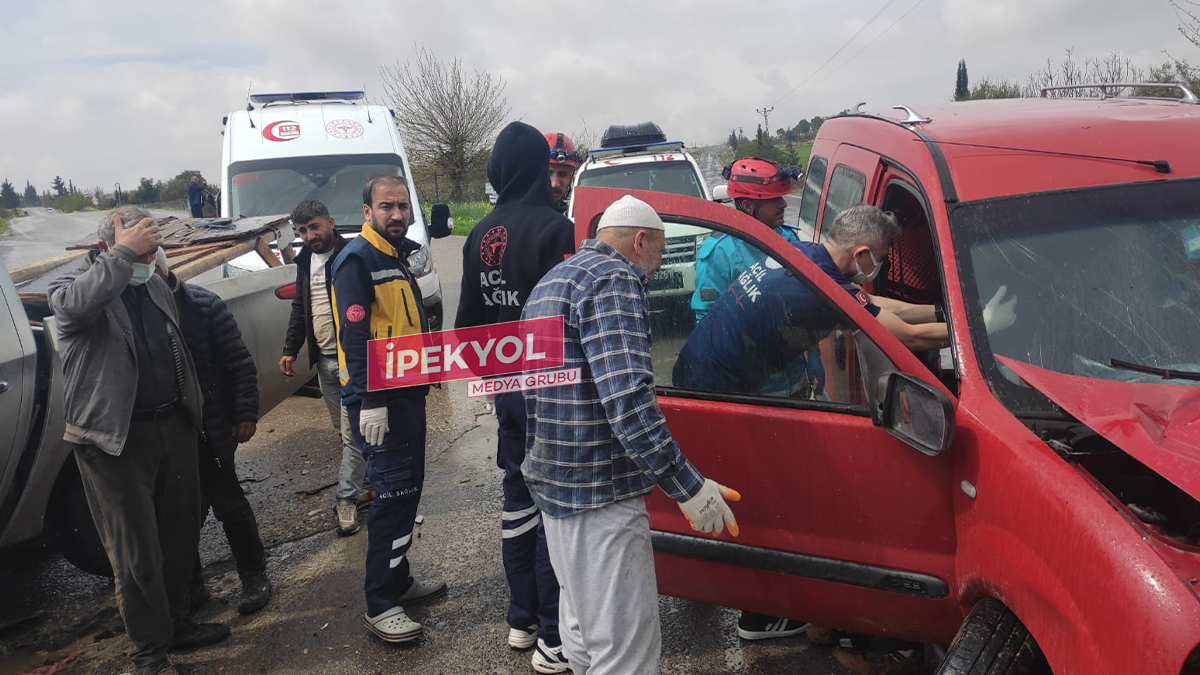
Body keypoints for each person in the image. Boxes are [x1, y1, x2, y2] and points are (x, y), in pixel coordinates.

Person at [522, 194, 741, 674]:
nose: (652, 274)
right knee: (626, 656)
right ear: (640, 241)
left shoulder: (552, 282)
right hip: (602, 497)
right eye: (657, 261)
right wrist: (688, 487)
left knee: (583, 637)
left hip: (556, 492)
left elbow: (535, 395)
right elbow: (628, 401)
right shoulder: (616, 280)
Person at [48, 207, 227, 675]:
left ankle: (178, 623)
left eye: (154, 248)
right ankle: (150, 656)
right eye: (142, 249)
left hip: (172, 425)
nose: (151, 257)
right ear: (109, 247)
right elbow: (70, 309)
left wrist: (154, 267)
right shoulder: (74, 289)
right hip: (114, 441)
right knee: (136, 553)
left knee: (179, 535)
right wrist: (126, 254)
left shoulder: (150, 282)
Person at [456, 121, 575, 673]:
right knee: (554, 508)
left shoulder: (480, 235)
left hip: (509, 399)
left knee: (516, 502)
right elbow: (566, 323)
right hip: (552, 397)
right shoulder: (557, 229)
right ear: (534, 167)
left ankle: (521, 619)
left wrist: (498, 382)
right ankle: (555, 637)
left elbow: (465, 332)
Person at [674, 205, 962, 395]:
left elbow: (872, 301)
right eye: (882, 258)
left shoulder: (805, 254)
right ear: (861, 254)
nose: (881, 265)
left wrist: (943, 312)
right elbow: (909, 338)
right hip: (712, 388)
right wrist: (977, 331)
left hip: (696, 363)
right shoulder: (822, 293)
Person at [331, 175, 447, 643]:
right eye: (386, 207)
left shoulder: (394, 256)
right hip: (380, 402)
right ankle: (380, 602)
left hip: (406, 394)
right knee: (393, 496)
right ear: (367, 211)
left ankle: (399, 580)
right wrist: (372, 400)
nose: (396, 214)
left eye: (402, 206)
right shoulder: (357, 260)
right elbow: (354, 337)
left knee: (408, 492)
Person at [152, 250, 272, 617]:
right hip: (169, 439)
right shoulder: (137, 313)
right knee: (178, 516)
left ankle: (255, 576)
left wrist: (245, 414)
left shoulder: (203, 306)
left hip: (211, 430)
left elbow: (238, 363)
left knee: (229, 505)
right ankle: (192, 587)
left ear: (159, 269)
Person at [279, 200, 372, 536]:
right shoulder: (305, 260)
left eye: (315, 227)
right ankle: (371, 485)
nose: (310, 235)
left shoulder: (354, 254)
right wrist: (291, 349)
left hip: (353, 361)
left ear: (331, 222)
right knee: (345, 433)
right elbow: (300, 308)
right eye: (303, 231)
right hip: (325, 362)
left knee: (353, 436)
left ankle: (346, 500)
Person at [691, 157, 805, 324]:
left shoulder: (788, 238)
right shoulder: (720, 253)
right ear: (747, 206)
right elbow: (707, 318)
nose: (783, 204)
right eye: (773, 199)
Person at [544, 132, 580, 215]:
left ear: (571, 178)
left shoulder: (574, 219)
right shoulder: (519, 217)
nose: (555, 184)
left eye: (563, 175)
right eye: (548, 174)